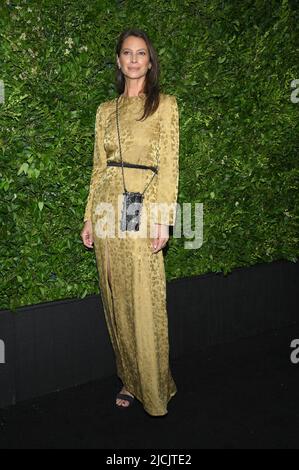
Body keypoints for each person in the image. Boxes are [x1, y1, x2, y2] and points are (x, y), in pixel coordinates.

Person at [80, 28, 180, 416]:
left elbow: (170, 166)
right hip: (107, 208)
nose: (134, 59)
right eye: (127, 53)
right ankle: (128, 377)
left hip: (144, 204)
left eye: (141, 53)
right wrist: (89, 216)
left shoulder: (166, 105)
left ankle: (155, 387)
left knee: (144, 298)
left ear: (150, 62)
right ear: (119, 61)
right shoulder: (105, 110)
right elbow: (97, 168)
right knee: (115, 298)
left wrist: (164, 219)